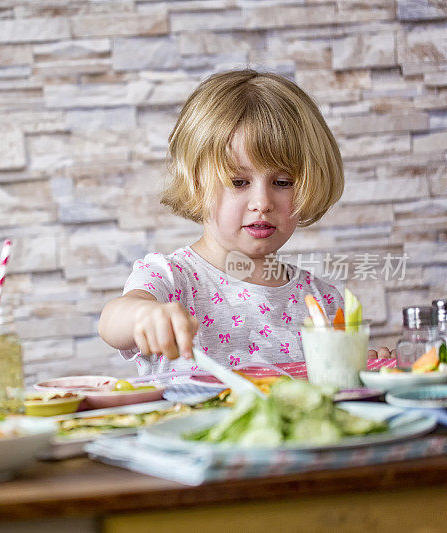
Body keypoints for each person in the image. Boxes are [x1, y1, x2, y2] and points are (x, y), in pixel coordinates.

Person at [98, 69, 392, 376]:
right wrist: (146, 315)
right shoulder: (173, 280)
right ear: (197, 183)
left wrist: (366, 368)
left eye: (282, 181)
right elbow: (113, 320)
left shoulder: (322, 301)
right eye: (238, 182)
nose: (262, 203)